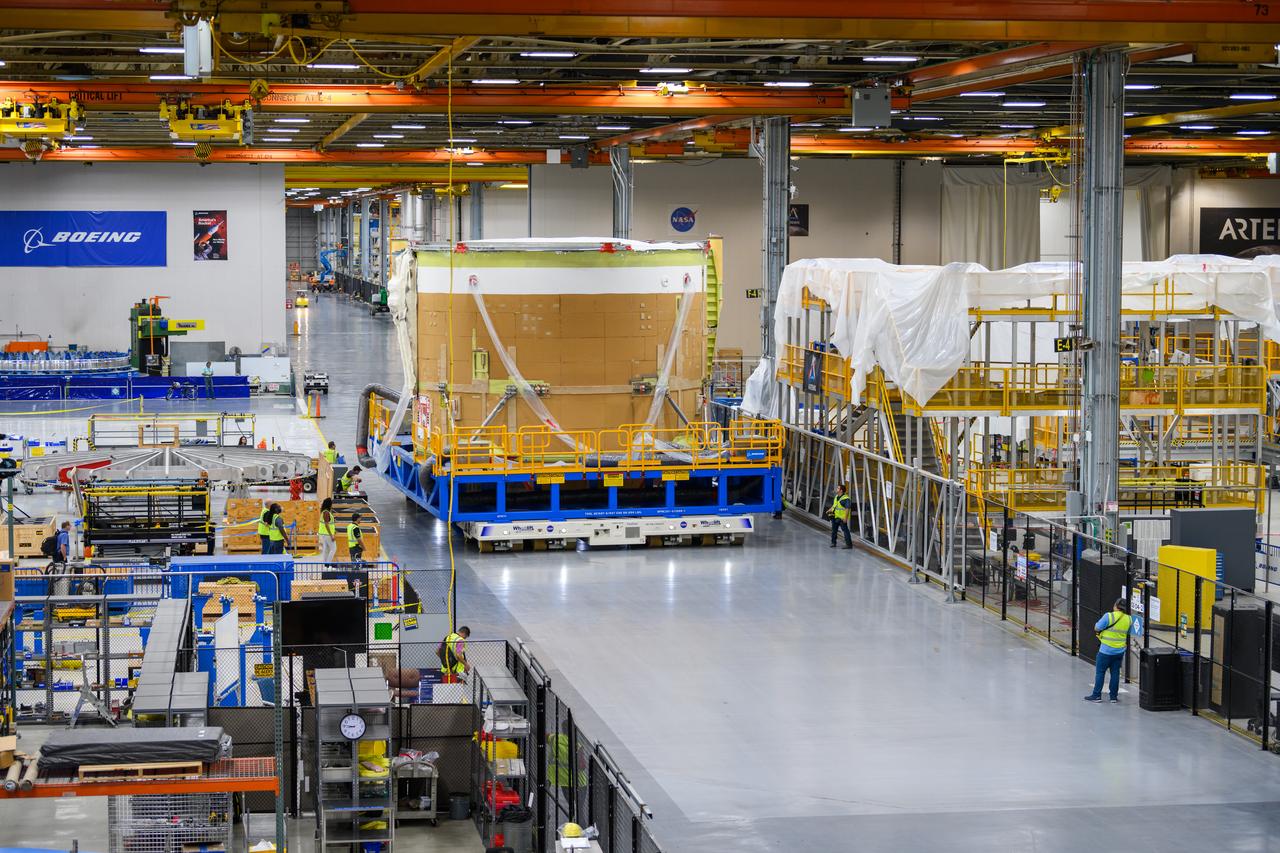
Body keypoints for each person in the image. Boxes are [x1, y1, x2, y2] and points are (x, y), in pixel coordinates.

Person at [1085, 598, 1132, 703]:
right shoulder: (1129, 619)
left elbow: (1097, 627)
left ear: (1116, 606)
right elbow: (1128, 632)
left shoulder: (1109, 616)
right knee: (1115, 673)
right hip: (1119, 651)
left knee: (1100, 672)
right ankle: (1113, 697)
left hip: (1105, 651)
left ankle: (1096, 695)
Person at [827, 484, 852, 549]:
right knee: (834, 530)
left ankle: (849, 544)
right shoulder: (836, 497)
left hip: (842, 518)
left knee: (845, 531)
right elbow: (834, 505)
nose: (836, 489)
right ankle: (833, 542)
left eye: (838, 488)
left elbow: (847, 509)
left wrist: (845, 518)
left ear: (841, 490)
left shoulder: (846, 499)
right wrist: (829, 510)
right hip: (835, 516)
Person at [318, 498, 337, 564]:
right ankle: (328, 564)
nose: (332, 505)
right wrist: (331, 535)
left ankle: (326, 564)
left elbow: (329, 523)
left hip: (324, 534)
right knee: (333, 549)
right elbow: (326, 525)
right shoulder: (326, 512)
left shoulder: (324, 512)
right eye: (331, 504)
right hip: (327, 534)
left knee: (326, 549)